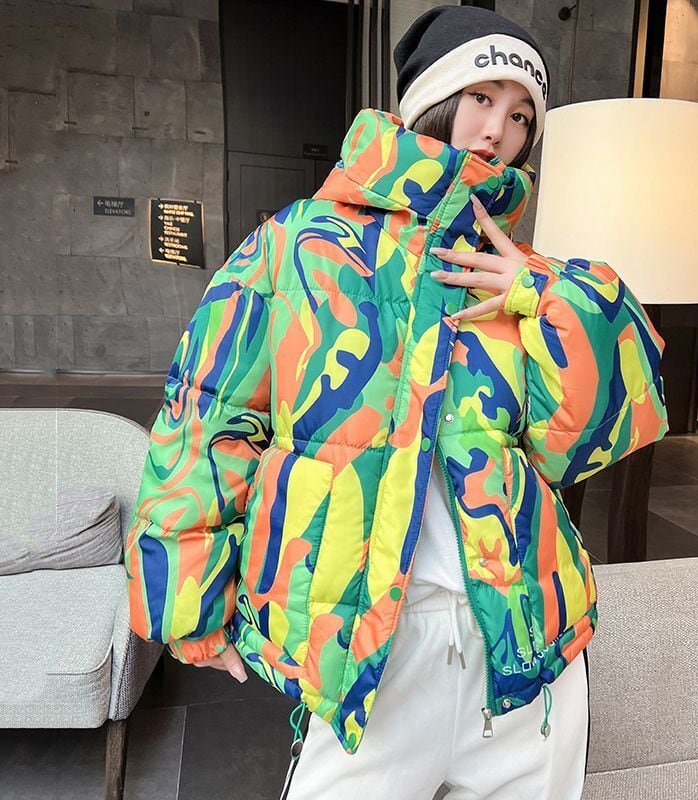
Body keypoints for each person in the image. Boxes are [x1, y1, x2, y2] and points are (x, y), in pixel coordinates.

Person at [124, 5, 669, 799]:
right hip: (371, 644)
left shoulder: (514, 270)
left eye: (522, 115)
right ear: (430, 100)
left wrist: (549, 296)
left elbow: (587, 437)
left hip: (521, 642)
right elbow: (206, 416)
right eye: (481, 98)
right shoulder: (299, 243)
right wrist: (189, 600)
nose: (499, 130)